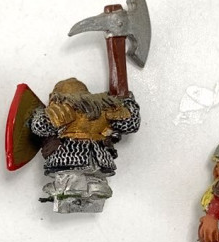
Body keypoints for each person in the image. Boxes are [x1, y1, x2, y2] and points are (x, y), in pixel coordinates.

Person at [29, 78, 140, 208]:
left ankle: (83, 199)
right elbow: (130, 123)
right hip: (90, 157)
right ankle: (74, 199)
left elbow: (40, 126)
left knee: (81, 185)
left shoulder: (99, 108)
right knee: (74, 184)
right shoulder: (104, 107)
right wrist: (126, 101)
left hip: (72, 157)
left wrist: (124, 99)